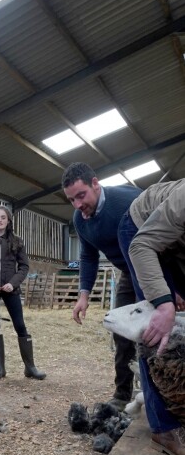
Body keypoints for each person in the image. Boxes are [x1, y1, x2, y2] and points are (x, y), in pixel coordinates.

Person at [62, 162, 140, 410]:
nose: (77, 204)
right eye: (71, 200)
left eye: (81, 195)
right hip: (128, 271)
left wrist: (176, 287)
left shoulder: (130, 200)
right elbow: (88, 256)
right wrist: (83, 295)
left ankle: (170, 393)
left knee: (166, 330)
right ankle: (122, 393)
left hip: (157, 266)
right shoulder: (80, 219)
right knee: (123, 331)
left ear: (95, 183)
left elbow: (167, 236)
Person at [117, 178, 185, 455]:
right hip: (139, 230)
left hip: (177, 243)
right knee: (156, 329)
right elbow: (142, 246)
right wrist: (164, 302)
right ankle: (163, 427)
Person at [0, 205, 46, 380]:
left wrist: (13, 284)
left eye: (3, 217)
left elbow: (24, 266)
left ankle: (30, 367)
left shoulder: (17, 241)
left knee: (20, 325)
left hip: (10, 289)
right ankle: (0, 367)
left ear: (8, 220)